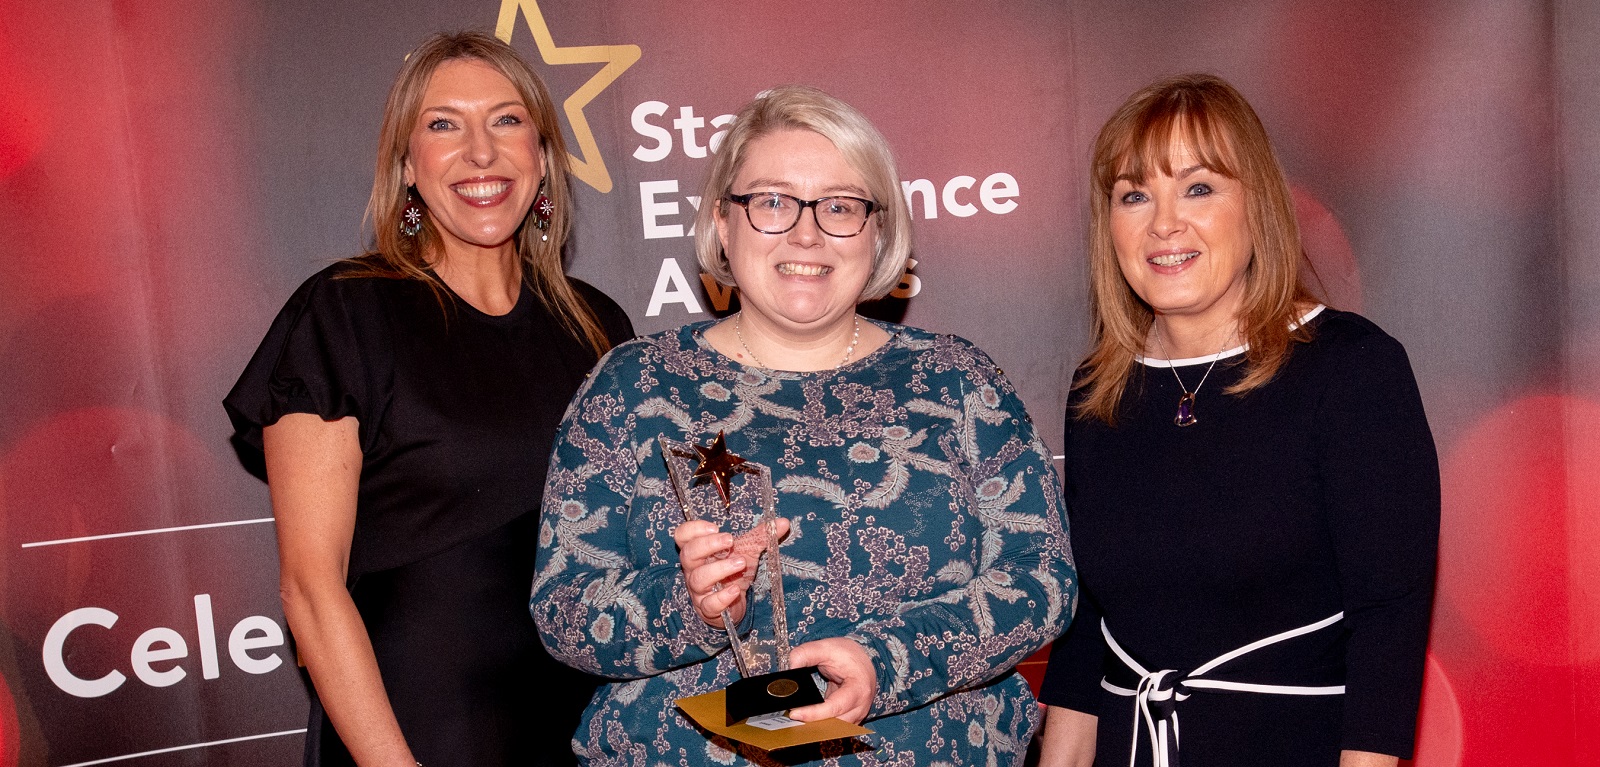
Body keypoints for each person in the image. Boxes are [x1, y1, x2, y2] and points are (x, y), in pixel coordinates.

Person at [532, 85, 1074, 765]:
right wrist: (689, 604)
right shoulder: (633, 385)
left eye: (840, 206)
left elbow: (1042, 578)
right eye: (772, 202)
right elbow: (563, 607)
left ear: (879, 231)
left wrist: (889, 659)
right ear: (723, 224)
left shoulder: (960, 382)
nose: (806, 231)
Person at [224, 31, 633, 767]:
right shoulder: (345, 315)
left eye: (506, 120)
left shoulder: (597, 324)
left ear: (541, 155)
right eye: (444, 124)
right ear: (408, 167)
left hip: (584, 729)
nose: (481, 151)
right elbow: (311, 588)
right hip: (419, 729)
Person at [1035, 73, 1439, 767]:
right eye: (1135, 195)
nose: (1165, 224)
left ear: (1258, 206)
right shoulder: (1096, 392)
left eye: (1199, 187)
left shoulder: (1351, 370)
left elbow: (1388, 625)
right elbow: (1088, 633)